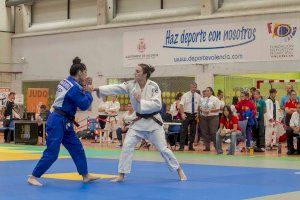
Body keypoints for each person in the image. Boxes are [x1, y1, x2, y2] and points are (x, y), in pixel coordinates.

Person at [95, 63, 187, 182]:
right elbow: (116, 87)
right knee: (127, 146)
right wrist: (98, 89)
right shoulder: (131, 85)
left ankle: (179, 170)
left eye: (138, 71)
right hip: (138, 123)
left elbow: (157, 105)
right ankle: (121, 175)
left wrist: (141, 101)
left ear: (145, 74)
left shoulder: (154, 86)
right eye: (135, 71)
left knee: (163, 149)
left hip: (153, 123)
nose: (135, 73)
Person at [27, 57, 98, 186]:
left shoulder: (66, 81)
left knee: (77, 148)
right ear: (80, 72)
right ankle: (33, 176)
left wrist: (84, 86)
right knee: (53, 152)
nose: (87, 75)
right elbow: (84, 104)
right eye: (85, 72)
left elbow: (74, 92)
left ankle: (85, 175)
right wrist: (89, 91)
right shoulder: (74, 88)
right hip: (57, 121)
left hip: (65, 121)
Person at [179, 82, 202, 151]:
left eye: (195, 87)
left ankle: (191, 146)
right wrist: (182, 113)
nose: (194, 88)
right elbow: (181, 105)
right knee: (184, 131)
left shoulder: (198, 96)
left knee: (193, 131)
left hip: (194, 115)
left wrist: (198, 113)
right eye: (192, 87)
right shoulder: (185, 95)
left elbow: (199, 106)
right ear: (190, 87)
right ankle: (182, 146)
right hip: (186, 114)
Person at [200, 87, 220, 151]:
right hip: (204, 117)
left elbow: (218, 108)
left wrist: (210, 111)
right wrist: (202, 110)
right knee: (205, 132)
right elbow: (200, 107)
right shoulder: (203, 99)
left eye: (208, 91)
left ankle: (217, 147)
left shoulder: (215, 99)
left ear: (211, 92)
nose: (207, 92)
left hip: (213, 117)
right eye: (206, 91)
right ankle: (207, 147)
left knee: (213, 132)